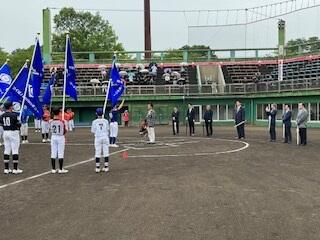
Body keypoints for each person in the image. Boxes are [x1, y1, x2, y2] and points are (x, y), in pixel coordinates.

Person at [0, 101, 22, 174]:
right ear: (10, 107)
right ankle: (15, 169)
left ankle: (6, 169)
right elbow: (19, 125)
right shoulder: (14, 115)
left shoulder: (2, 115)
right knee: (15, 150)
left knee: (7, 150)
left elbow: (1, 123)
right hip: (13, 132)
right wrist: (19, 122)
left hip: (5, 132)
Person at [50, 108, 68, 174]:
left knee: (53, 152)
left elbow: (50, 129)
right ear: (59, 113)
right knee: (60, 152)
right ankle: (60, 169)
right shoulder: (63, 121)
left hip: (53, 136)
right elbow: (65, 131)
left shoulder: (50, 121)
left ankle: (53, 169)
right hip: (60, 137)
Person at [91, 108, 110, 173]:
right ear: (103, 113)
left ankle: (97, 168)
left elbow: (93, 131)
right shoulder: (106, 121)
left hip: (98, 137)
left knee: (97, 152)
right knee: (106, 152)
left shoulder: (94, 121)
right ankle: (106, 167)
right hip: (105, 137)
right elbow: (108, 129)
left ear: (96, 113)